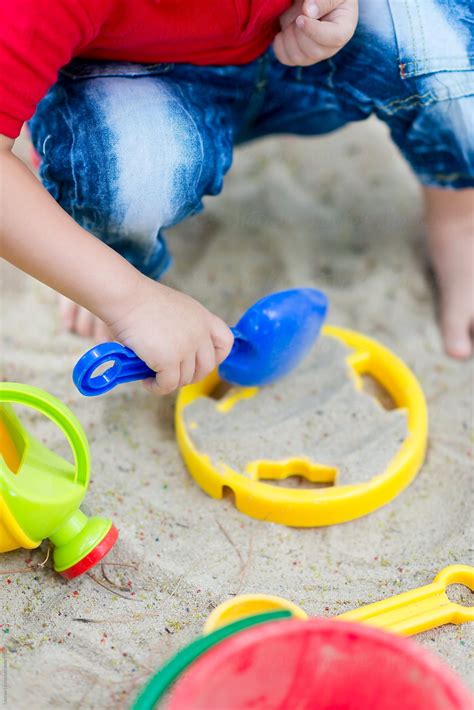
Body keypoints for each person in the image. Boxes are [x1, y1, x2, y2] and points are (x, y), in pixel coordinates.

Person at [1, 0, 472, 397]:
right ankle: (111, 252)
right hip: (131, 79)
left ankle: (459, 210)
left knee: (436, 36)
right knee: (124, 176)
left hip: (299, 53)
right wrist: (125, 297)